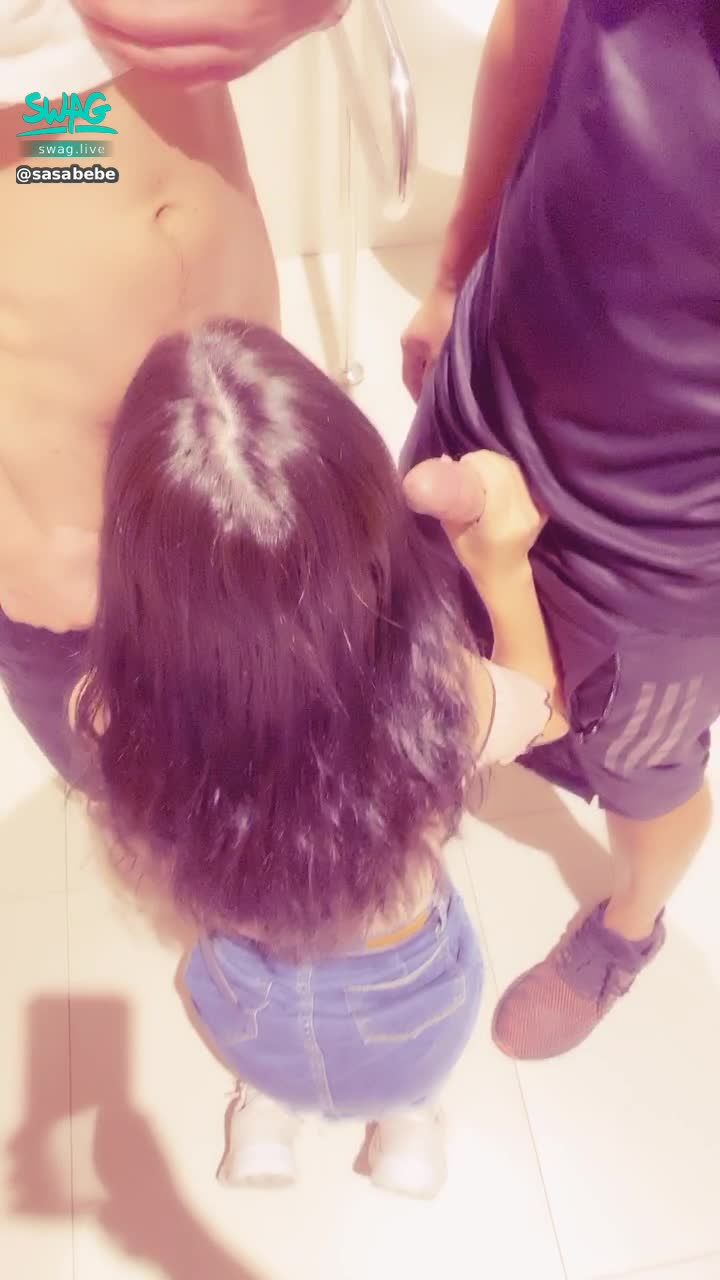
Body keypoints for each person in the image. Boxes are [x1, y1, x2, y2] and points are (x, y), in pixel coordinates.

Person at [72, 320, 567, 1197]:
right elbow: (542, 712)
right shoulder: (439, 695)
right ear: (368, 527)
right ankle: (406, 1132)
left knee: (265, 1063)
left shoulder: (113, 712)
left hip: (248, 992)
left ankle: (266, 1118)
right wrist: (505, 565)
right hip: (406, 988)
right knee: (407, 1078)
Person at [400, 0, 719, 1060]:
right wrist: (454, 269)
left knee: (645, 774)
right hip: (488, 388)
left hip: (671, 547)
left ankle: (629, 925)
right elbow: (537, 22)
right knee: (418, 640)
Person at [0, 0, 344, 783]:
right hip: (80, 544)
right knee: (157, 811)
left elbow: (71, 136)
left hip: (257, 477)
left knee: (303, 776)